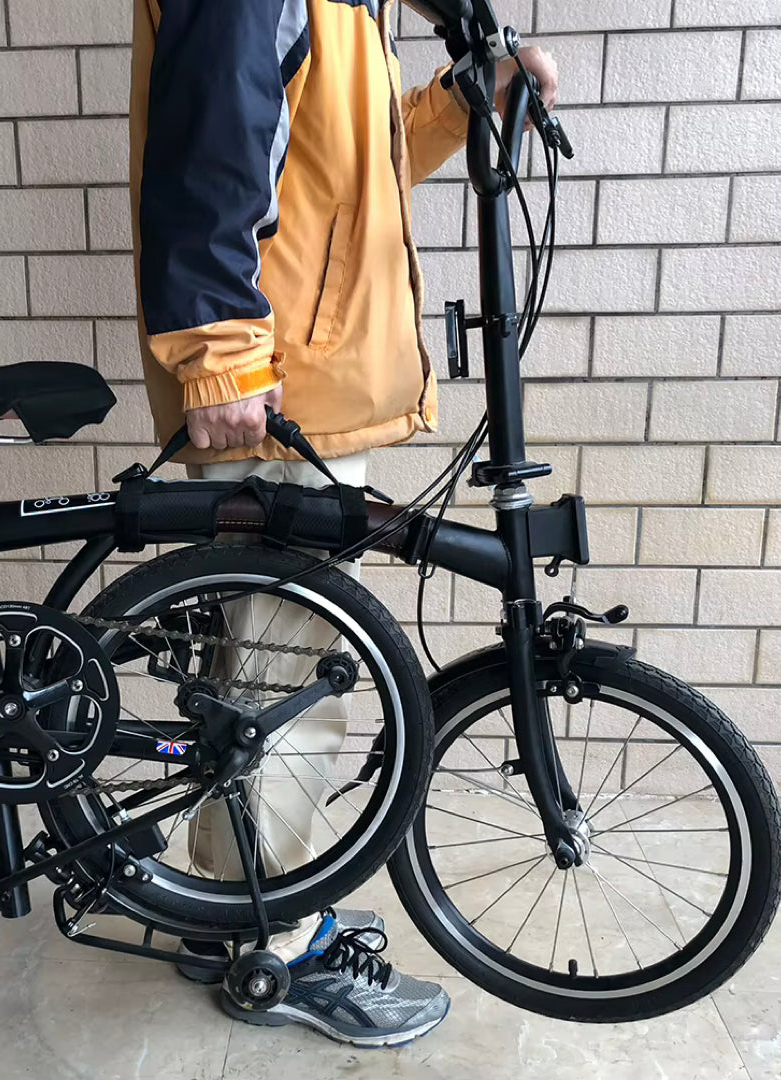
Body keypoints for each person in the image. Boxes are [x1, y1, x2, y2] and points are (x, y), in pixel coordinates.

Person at [129, 0, 558, 1047]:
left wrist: (467, 102)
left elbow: (359, 164)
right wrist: (222, 354)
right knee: (282, 692)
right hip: (281, 393)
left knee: (258, 675)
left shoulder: (343, 7)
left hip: (306, 384)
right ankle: (274, 938)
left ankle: (230, 904)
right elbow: (210, 151)